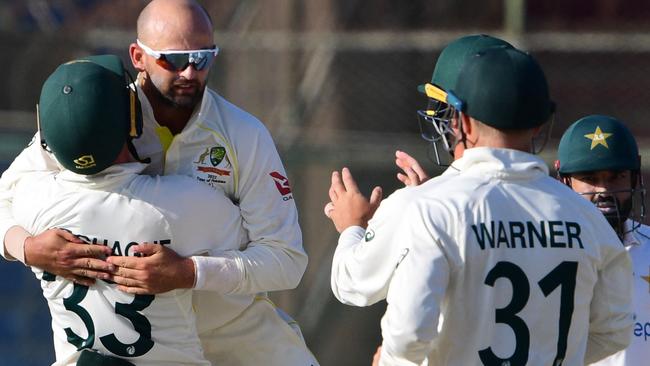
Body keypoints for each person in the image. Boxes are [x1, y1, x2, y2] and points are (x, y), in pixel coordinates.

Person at [0, 0, 317, 364]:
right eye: (173, 59)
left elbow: (286, 260)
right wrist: (26, 248)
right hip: (143, 349)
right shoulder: (100, 113)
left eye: (202, 57)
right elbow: (5, 197)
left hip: (235, 331)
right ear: (138, 56)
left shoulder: (244, 135)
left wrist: (189, 272)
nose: (189, 73)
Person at [326, 46, 633, 365]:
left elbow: (407, 336)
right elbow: (614, 331)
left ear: (463, 123)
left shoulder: (429, 209)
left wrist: (352, 230)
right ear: (541, 125)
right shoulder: (587, 216)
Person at [13, 55, 246, 365]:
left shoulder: (32, 201)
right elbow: (250, 241)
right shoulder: (181, 203)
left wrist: (26, 248)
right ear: (133, 118)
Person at [555, 115, 649, 366]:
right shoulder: (543, 251)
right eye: (589, 179)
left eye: (615, 177)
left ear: (634, 177)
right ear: (564, 181)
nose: (604, 191)